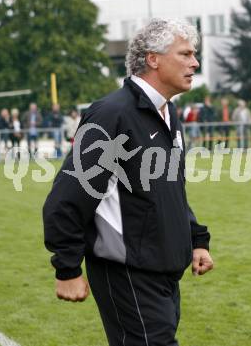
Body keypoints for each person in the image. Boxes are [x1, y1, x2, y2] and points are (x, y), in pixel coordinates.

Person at [43, 19, 213, 346]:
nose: (195, 63)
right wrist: (67, 268)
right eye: (186, 54)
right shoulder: (112, 114)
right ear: (153, 59)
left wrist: (195, 238)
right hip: (128, 272)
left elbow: (166, 189)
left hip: (162, 271)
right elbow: (67, 197)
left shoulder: (166, 112)